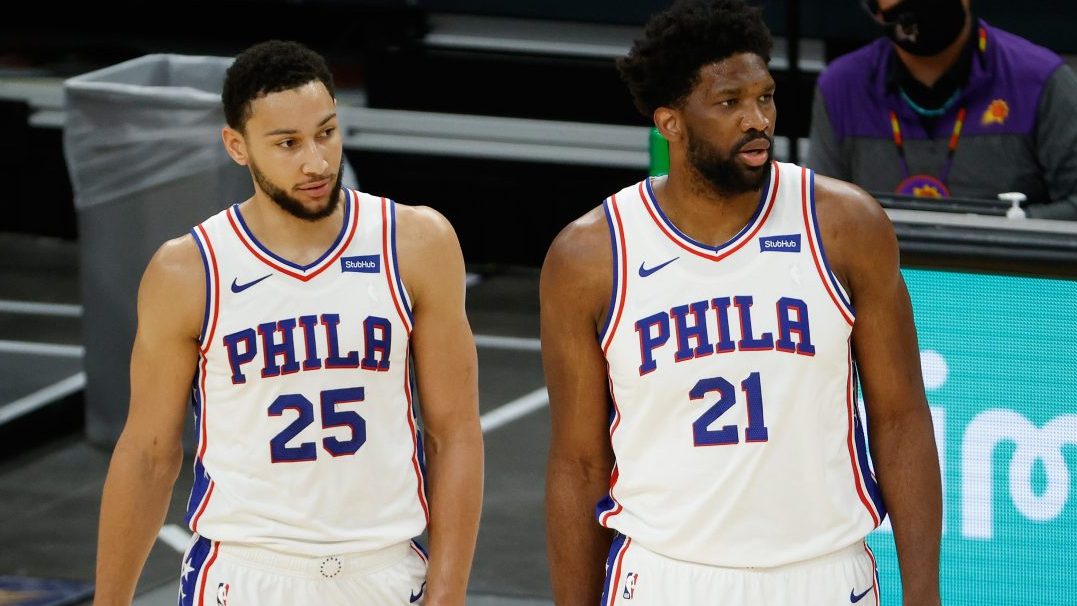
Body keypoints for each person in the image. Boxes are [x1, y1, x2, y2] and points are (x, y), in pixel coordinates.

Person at [541, 1, 942, 604]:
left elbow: (901, 418)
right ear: (671, 122)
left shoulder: (845, 224)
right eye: (729, 102)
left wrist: (924, 592)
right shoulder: (590, 255)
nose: (757, 119)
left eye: (765, 97)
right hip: (666, 575)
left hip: (824, 572)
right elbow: (578, 463)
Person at [93, 40, 483, 606]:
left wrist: (449, 593)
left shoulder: (416, 242)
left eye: (326, 133)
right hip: (245, 572)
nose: (316, 162)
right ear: (237, 146)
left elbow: (455, 432)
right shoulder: (188, 270)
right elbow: (149, 455)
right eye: (287, 143)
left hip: (384, 569)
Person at [809, 0, 1077, 219]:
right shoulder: (840, 87)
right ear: (873, 8)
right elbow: (819, 213)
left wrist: (1003, 230)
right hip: (880, 266)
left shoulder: (1042, 81)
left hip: (1005, 267)